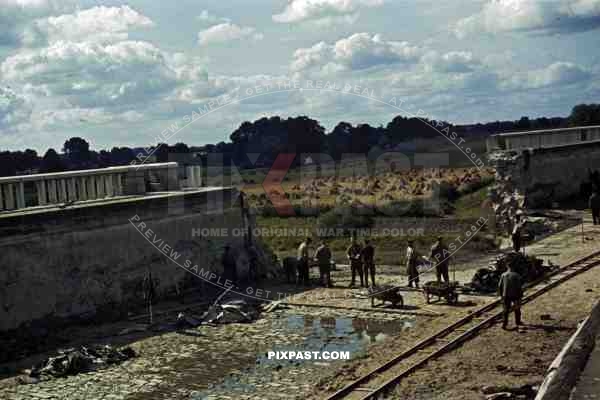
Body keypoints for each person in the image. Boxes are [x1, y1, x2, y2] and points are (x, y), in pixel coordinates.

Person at [498, 263, 523, 329]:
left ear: (507, 267)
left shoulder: (503, 275)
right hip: (515, 295)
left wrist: (501, 295)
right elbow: (519, 286)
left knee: (505, 310)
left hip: (505, 295)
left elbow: (499, 285)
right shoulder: (516, 275)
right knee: (517, 308)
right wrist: (520, 295)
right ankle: (518, 322)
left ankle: (504, 324)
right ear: (514, 268)